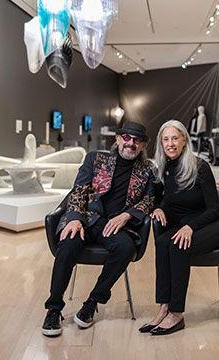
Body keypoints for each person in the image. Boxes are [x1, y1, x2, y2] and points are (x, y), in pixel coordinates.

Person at [42, 121, 155, 336]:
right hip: (86, 218)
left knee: (125, 248)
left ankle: (93, 301)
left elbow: (150, 199)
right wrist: (74, 217)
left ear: (142, 145)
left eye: (137, 140)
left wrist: (127, 215)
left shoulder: (147, 169)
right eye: (127, 138)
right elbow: (78, 190)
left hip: (115, 226)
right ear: (118, 139)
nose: (131, 143)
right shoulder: (95, 158)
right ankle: (53, 309)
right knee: (68, 244)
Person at [139, 120, 219, 335]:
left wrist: (190, 227)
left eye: (175, 138)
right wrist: (159, 209)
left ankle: (177, 315)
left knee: (177, 247)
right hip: (188, 225)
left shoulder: (200, 166)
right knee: (162, 243)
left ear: (184, 140)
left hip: (214, 224)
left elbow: (214, 209)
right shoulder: (165, 168)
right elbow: (165, 199)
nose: (170, 143)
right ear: (161, 143)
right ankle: (164, 308)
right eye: (166, 139)